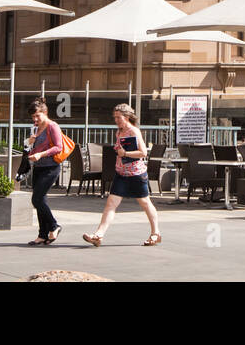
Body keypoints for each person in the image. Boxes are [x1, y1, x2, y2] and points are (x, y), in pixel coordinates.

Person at [83, 104, 161, 247]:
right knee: (111, 204)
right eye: (115, 118)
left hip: (136, 174)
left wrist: (125, 153)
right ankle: (99, 235)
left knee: (145, 203)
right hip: (121, 173)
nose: (116, 120)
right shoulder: (119, 132)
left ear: (126, 117)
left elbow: (143, 153)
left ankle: (155, 233)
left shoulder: (133, 131)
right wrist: (119, 149)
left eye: (119, 117)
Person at [25, 98, 64, 246]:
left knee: (36, 199)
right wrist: (30, 143)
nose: (35, 119)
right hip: (38, 167)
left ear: (45, 113)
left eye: (37, 116)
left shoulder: (52, 126)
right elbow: (33, 148)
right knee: (41, 200)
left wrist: (41, 154)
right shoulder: (35, 128)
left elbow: (58, 147)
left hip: (51, 167)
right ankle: (42, 234)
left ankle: (54, 226)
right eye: (33, 117)